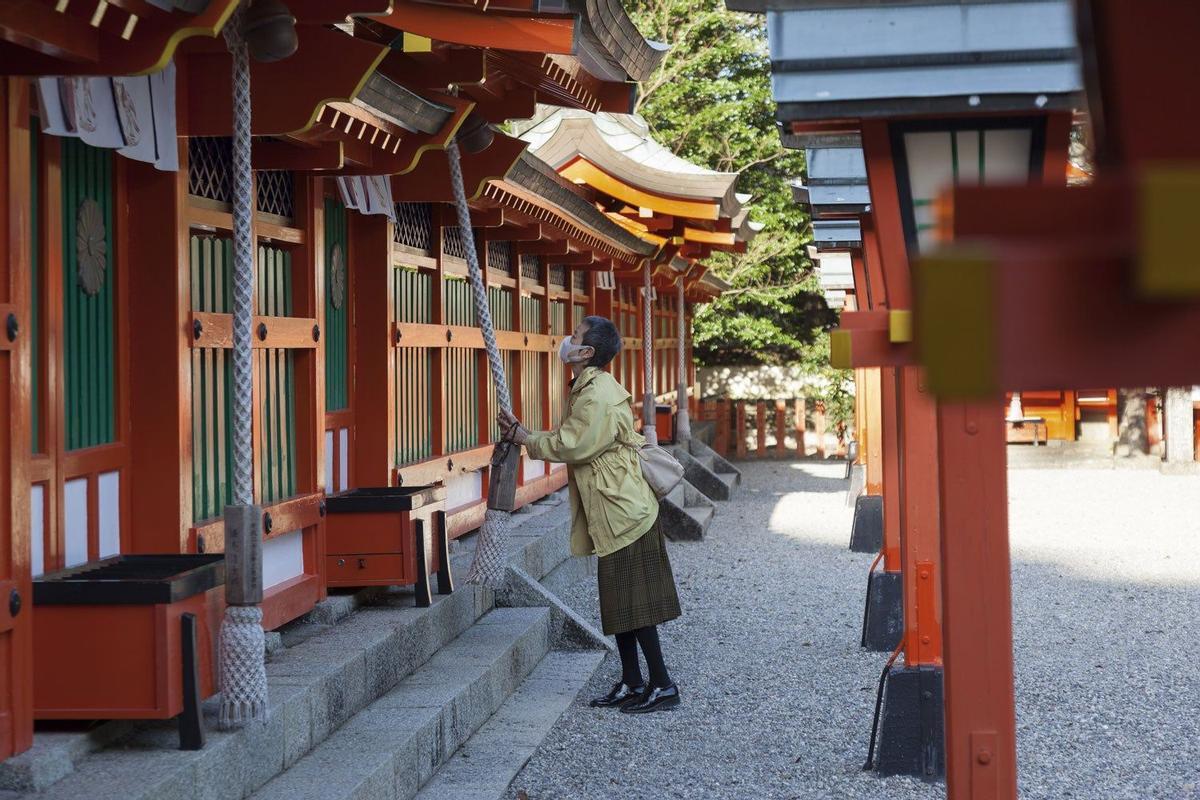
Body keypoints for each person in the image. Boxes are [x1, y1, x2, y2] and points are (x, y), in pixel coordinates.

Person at [497, 315, 682, 714]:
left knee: (637, 604)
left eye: (576, 337)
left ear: (586, 352)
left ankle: (663, 684)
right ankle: (634, 681)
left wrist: (526, 438)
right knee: (620, 603)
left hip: (623, 510)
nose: (568, 340)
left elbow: (573, 444)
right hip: (617, 506)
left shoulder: (595, 394)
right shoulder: (590, 387)